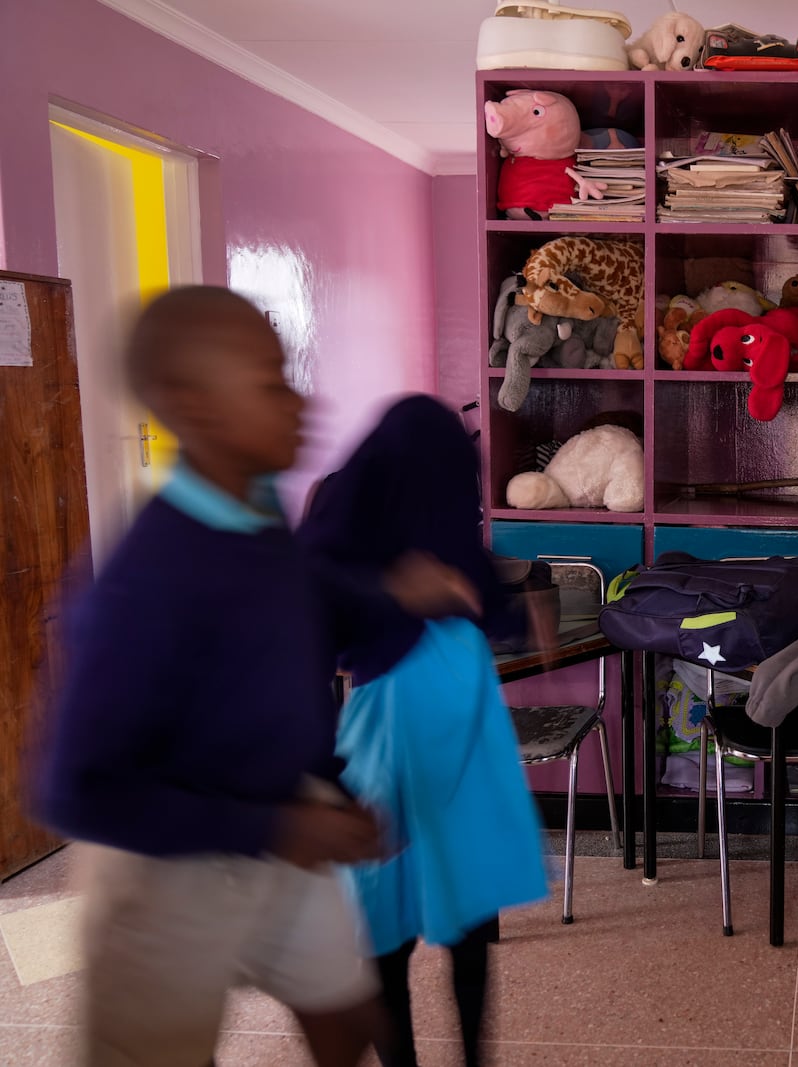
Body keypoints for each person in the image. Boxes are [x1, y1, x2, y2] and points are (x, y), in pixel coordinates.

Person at [33, 286, 457, 1067]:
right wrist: (283, 826)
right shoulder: (142, 580)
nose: (300, 400)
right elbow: (75, 789)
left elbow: (296, 609)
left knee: (345, 1013)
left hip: (278, 826)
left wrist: (395, 593)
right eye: (270, 382)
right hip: (167, 867)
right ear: (194, 408)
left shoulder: (258, 519)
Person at [299, 395, 549, 1067]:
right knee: (407, 922)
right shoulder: (349, 542)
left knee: (427, 923)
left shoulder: (399, 520)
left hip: (443, 738)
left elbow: (479, 594)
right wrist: (397, 593)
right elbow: (308, 603)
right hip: (410, 737)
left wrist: (520, 615)